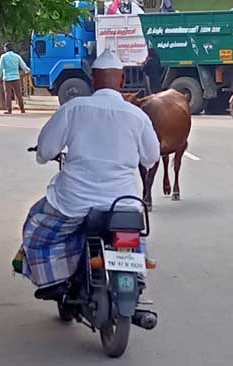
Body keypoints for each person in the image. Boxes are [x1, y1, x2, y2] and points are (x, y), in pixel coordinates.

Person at [19, 49, 161, 297]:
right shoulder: (137, 116)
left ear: (93, 79)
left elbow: (46, 150)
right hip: (124, 204)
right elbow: (151, 158)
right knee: (133, 238)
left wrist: (44, 155)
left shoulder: (74, 108)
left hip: (72, 202)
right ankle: (136, 276)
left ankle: (53, 281)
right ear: (123, 80)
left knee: (36, 226)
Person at [0, 42, 30, 114]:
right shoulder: (17, 56)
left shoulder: (3, 57)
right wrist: (28, 71)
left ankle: (9, 110)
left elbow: (0, 68)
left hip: (7, 78)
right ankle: (22, 109)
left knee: (8, 94)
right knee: (18, 93)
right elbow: (23, 66)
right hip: (16, 77)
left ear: (6, 48)